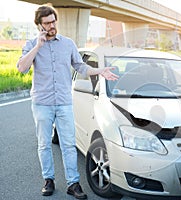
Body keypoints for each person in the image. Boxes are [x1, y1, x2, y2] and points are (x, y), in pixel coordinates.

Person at [17, 4, 118, 199]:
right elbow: (22, 68)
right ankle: (49, 180)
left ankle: (73, 183)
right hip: (42, 103)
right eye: (47, 23)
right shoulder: (31, 44)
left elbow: (80, 67)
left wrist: (99, 71)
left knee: (68, 145)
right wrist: (38, 46)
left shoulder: (68, 44)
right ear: (39, 25)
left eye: (54, 21)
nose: (52, 25)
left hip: (64, 102)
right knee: (44, 144)